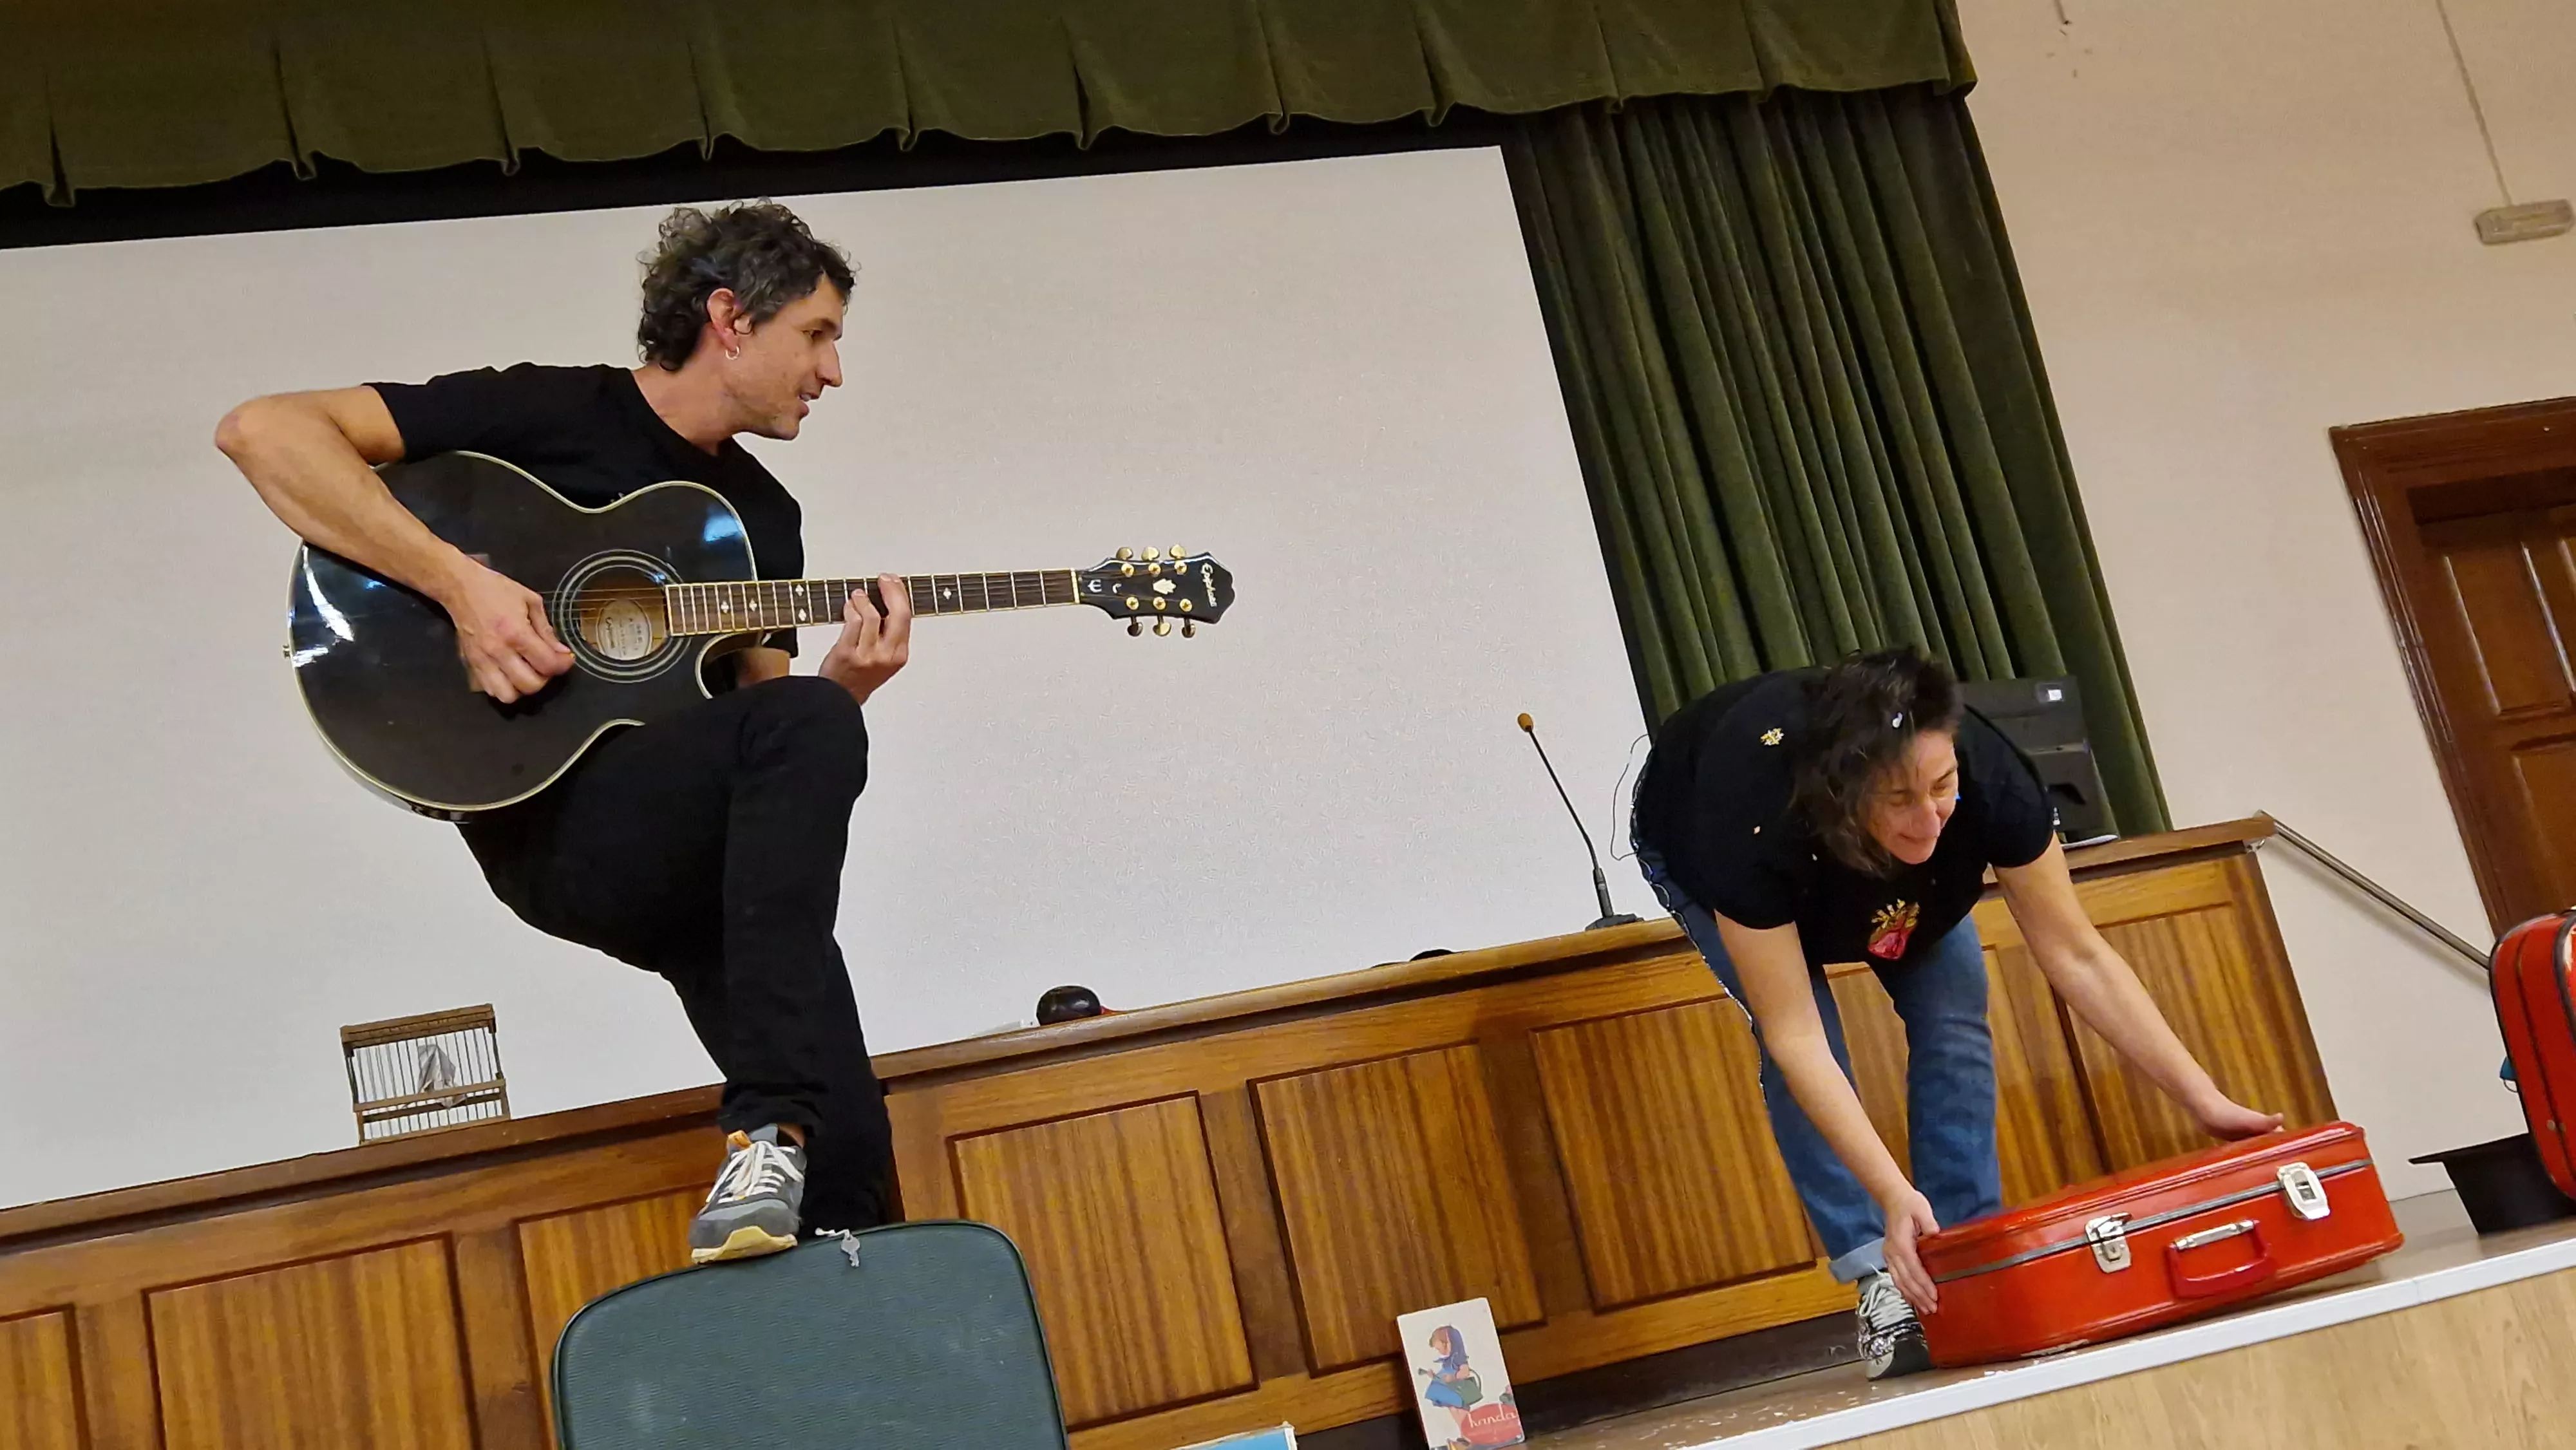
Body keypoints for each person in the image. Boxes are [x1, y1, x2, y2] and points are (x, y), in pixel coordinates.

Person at [216, 201, 909, 1263]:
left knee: (856, 1159)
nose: (834, 371)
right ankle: (765, 1126)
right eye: (818, 334)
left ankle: (844, 1328)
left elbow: (765, 734)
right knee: (803, 741)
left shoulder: (763, 522)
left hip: (712, 873)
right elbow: (262, 430)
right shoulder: (547, 413)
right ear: (730, 318)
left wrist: (846, 687)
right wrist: (463, 588)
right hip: (563, 834)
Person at [1628, 648, 2280, 1378]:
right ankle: (1882, 1274)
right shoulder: (1747, 819)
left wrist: (2203, 1097)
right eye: (1899, 797)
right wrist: (1890, 1194)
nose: (1928, 814)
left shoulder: (1993, 779)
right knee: (1808, 1041)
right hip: (1714, 836)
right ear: (1845, 788)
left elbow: (2077, 955)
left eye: (1942, 785)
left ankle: (1964, 1250)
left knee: (1954, 1013)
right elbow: (1797, 1036)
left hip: (1885, 880)